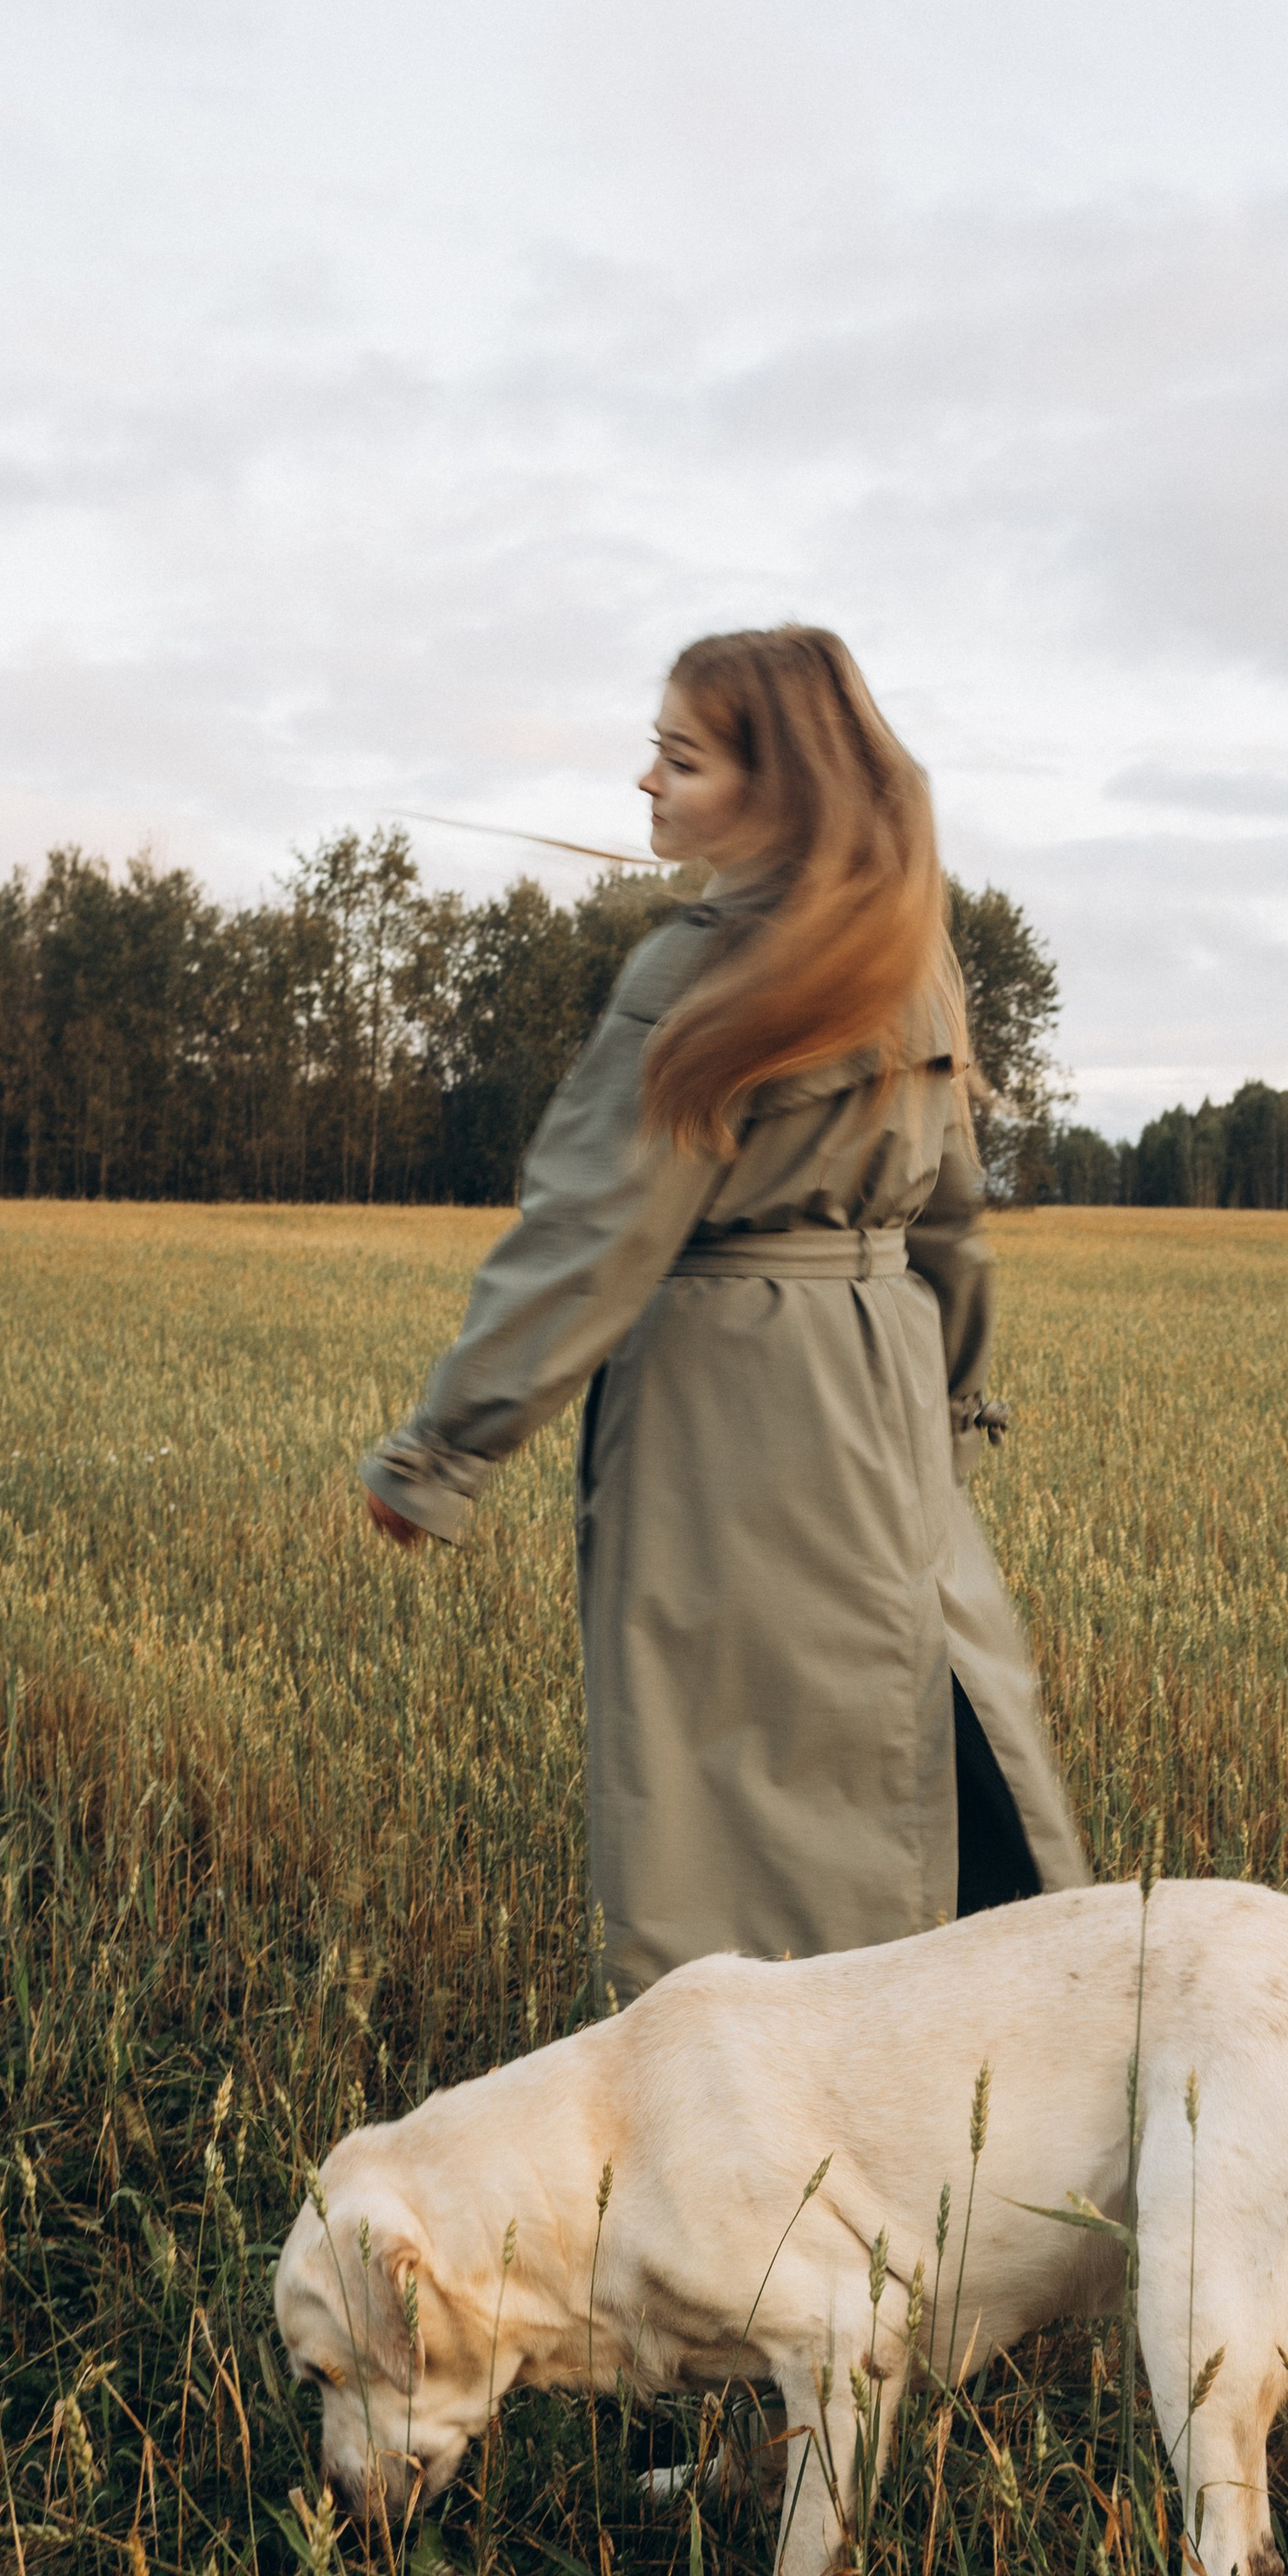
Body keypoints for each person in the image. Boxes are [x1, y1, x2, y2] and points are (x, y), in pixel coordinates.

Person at [360, 624, 1086, 2001]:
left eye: (682, 759)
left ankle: (751, 2123)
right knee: (912, 1736)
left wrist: (440, 1454)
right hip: (880, 1402)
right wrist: (944, 1423)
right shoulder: (907, 954)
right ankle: (954, 2078)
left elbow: (590, 1232)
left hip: (724, 1418)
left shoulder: (700, 973)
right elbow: (953, 1227)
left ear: (785, 785)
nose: (646, 785)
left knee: (730, 1787)